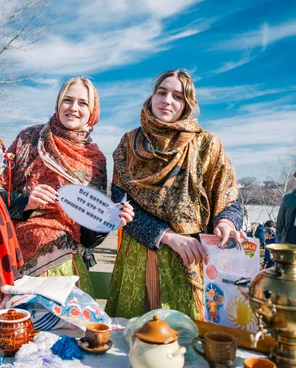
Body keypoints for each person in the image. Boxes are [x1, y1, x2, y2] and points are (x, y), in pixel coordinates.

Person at [105, 70, 245, 321]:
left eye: (177, 96)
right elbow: (121, 204)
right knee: (131, 342)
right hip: (138, 256)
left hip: (188, 260)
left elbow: (230, 197)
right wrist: (169, 237)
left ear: (187, 104)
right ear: (152, 97)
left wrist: (225, 222)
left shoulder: (206, 144)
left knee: (182, 344)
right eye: (161, 92)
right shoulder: (129, 143)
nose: (167, 100)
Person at [0, 77, 134, 296]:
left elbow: (89, 237)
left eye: (83, 103)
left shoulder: (95, 159)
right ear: (58, 103)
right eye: (68, 100)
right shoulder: (29, 138)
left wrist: (109, 220)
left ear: (93, 111)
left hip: (69, 258)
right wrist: (26, 202)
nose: (73, 108)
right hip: (18, 253)